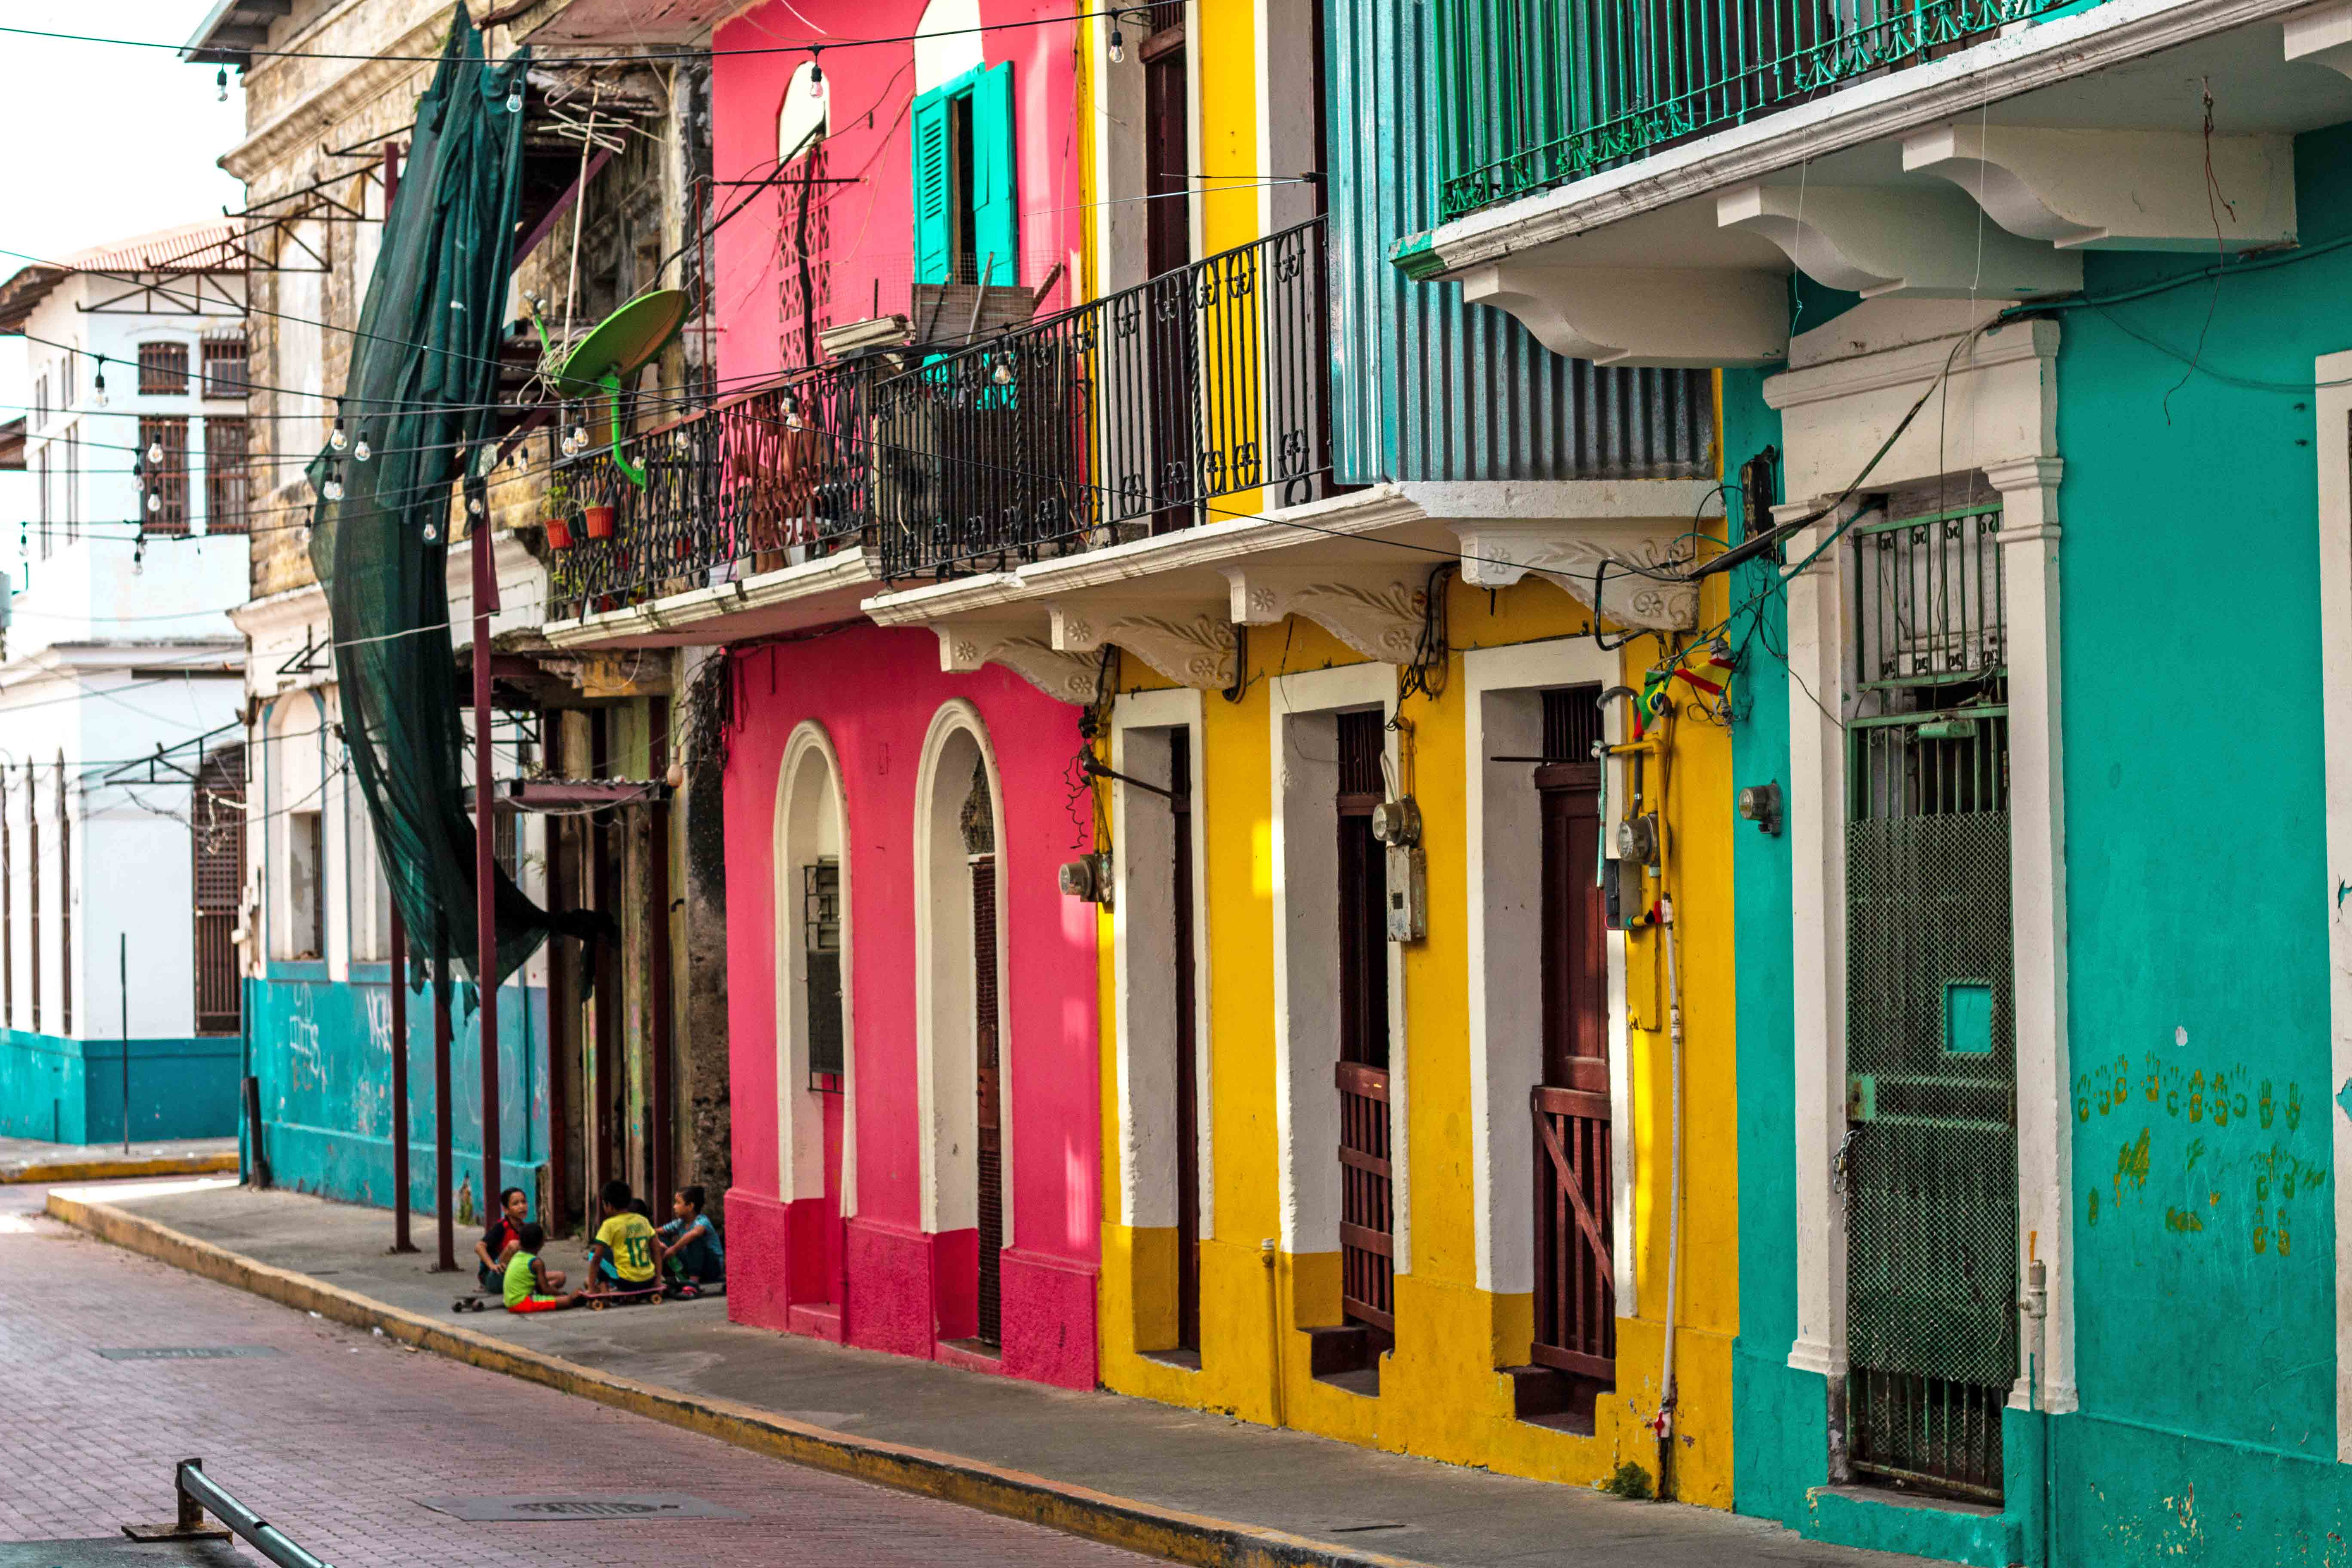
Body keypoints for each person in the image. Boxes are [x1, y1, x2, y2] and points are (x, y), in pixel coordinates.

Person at [589, 1178, 660, 1296]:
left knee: (596, 1256)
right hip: (649, 1280)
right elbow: (657, 1249)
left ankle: (603, 1290)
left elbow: (597, 1258)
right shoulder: (643, 1220)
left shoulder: (609, 1225)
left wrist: (591, 1288)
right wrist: (657, 1280)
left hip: (627, 1283)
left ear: (609, 1206)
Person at [503, 1223, 583, 1314]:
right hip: (522, 1303)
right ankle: (577, 1298)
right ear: (541, 1242)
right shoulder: (537, 1263)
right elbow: (546, 1289)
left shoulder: (518, 1255)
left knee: (558, 1284)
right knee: (567, 1301)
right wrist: (565, 1295)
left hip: (511, 1301)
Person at [655, 1185, 726, 1287]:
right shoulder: (680, 1223)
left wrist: (674, 1249)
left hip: (712, 1268)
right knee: (660, 1241)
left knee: (694, 1239)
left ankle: (693, 1284)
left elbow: (696, 1233)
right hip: (692, 1265)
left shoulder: (702, 1221)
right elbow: (657, 1232)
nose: (674, 1207)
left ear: (690, 1206)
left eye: (678, 1203)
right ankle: (672, 1281)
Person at [473, 1186, 528, 1296]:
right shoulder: (501, 1227)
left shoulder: (526, 1229)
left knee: (560, 1277)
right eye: (516, 1204)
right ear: (506, 1210)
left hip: (515, 1275)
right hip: (493, 1276)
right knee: (514, 1245)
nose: (522, 1206)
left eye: (524, 1202)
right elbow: (479, 1247)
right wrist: (492, 1266)